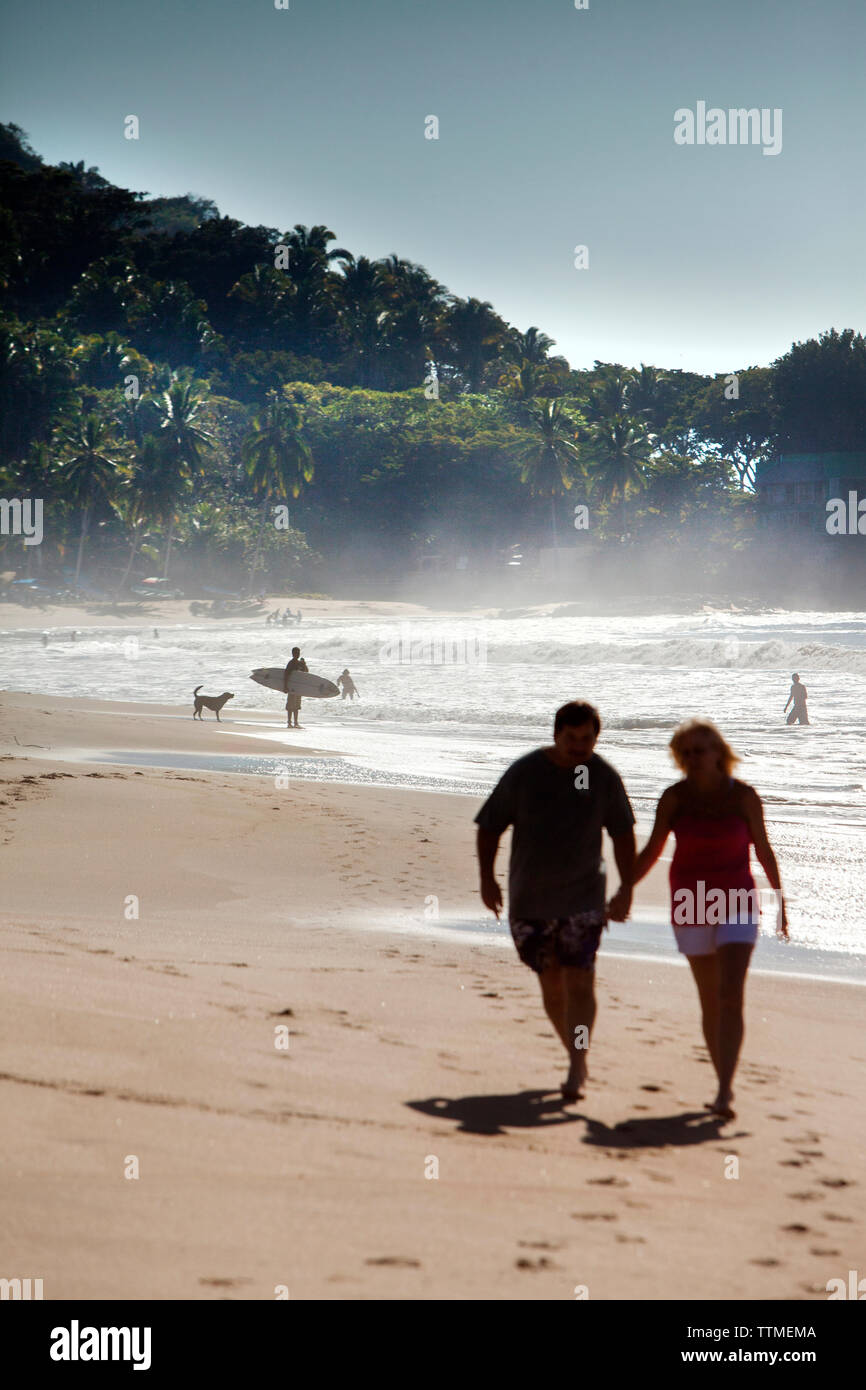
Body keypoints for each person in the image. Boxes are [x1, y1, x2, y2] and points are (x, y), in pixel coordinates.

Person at [623, 719, 788, 1120]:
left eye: (701, 750)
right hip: (691, 902)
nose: (694, 758)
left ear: (719, 753)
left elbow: (764, 850)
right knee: (710, 1000)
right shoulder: (674, 798)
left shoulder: (744, 797)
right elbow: (651, 850)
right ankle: (721, 1080)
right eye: (687, 752)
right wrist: (624, 889)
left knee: (731, 994)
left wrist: (781, 902)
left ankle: (725, 1090)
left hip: (737, 900)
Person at [475, 701, 636, 1103]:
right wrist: (486, 879)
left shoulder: (602, 777)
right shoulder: (526, 772)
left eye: (588, 739)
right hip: (530, 897)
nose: (580, 746)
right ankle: (574, 1054)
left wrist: (627, 888)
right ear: (555, 734)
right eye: (572, 738)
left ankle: (577, 1062)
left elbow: (623, 834)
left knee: (581, 981)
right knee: (551, 984)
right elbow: (490, 825)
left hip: (584, 898)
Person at [283, 646, 308, 728]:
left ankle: (296, 722)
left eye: (298, 653)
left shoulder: (300, 663)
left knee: (296, 706)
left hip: (298, 688)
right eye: (296, 653)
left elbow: (306, 673)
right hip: (291, 687)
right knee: (290, 706)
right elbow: (286, 675)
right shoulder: (291, 663)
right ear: (293, 653)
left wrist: (304, 664)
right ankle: (289, 722)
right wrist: (285, 686)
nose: (297, 654)